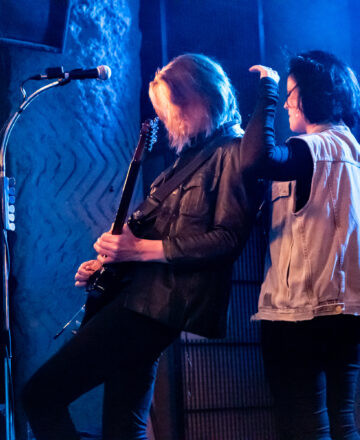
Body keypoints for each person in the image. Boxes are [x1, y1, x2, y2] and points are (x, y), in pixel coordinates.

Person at [22, 53, 265, 440]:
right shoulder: (189, 158)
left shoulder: (232, 152)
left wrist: (137, 251)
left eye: (171, 108)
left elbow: (228, 240)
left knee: (40, 395)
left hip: (158, 306)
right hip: (140, 298)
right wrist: (108, 262)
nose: (168, 119)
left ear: (200, 98)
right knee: (124, 427)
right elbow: (145, 235)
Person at [246, 50, 360, 440]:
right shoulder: (353, 153)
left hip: (301, 311)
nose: (288, 103)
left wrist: (268, 89)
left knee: (302, 425)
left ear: (311, 94)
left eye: (292, 92)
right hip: (348, 310)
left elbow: (258, 158)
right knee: (342, 420)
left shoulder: (313, 149)